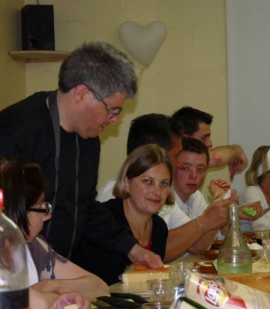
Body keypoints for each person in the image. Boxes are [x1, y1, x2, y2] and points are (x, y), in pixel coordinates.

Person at [0, 41, 163, 269]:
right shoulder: (16, 131)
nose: (115, 119)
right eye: (112, 109)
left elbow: (84, 207)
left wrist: (131, 248)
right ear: (81, 94)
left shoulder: (88, 138)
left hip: (56, 266)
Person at [96, 114, 234, 262]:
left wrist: (216, 212)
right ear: (155, 153)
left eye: (163, 184)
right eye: (177, 156)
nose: (180, 164)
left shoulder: (158, 220)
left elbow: (194, 243)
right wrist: (207, 219)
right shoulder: (109, 203)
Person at [0, 157, 109, 306]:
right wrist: (58, 296)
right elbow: (38, 303)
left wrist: (54, 286)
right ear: (19, 212)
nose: (48, 216)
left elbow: (100, 288)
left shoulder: (33, 244)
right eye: (42, 207)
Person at [73, 145, 172, 285]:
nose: (157, 191)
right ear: (126, 183)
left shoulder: (159, 227)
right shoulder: (101, 221)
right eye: (148, 181)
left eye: (164, 183)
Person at [174, 138, 265, 249]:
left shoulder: (197, 197)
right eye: (185, 168)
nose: (194, 175)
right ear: (173, 166)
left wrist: (227, 208)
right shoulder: (164, 201)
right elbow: (194, 248)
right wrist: (217, 207)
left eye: (200, 169)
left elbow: (220, 239)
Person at [172, 106, 248, 180]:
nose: (209, 144)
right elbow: (216, 157)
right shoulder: (172, 159)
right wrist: (237, 150)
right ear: (184, 138)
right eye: (204, 138)